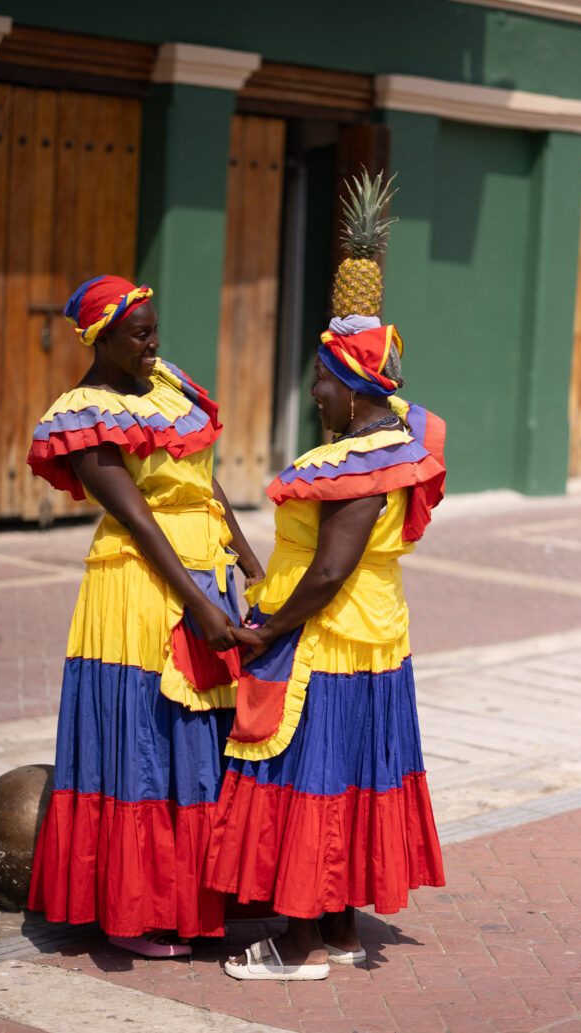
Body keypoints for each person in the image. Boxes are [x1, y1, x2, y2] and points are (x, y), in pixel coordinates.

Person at [27, 274, 264, 958]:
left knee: (206, 735)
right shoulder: (82, 411)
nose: (153, 343)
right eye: (138, 334)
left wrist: (247, 562)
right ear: (100, 339)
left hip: (203, 570)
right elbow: (134, 515)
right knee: (147, 739)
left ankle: (202, 898)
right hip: (140, 584)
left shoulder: (169, 384)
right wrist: (196, 603)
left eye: (155, 329)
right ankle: (138, 912)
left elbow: (203, 479)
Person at [203, 317, 447, 980]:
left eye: (320, 378)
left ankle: (300, 942)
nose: (313, 391)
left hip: (322, 638)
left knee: (307, 780)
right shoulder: (401, 442)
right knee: (347, 779)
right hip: (370, 638)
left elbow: (330, 567)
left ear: (353, 387)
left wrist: (268, 629)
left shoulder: (356, 462)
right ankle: (339, 929)